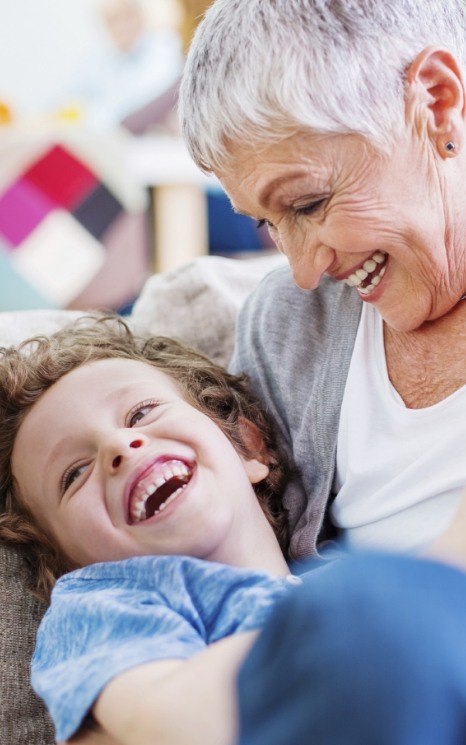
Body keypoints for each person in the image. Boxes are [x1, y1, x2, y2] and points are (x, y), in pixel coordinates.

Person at [177, 0, 466, 741]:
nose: (304, 270)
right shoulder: (289, 325)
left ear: (437, 103)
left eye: (308, 203)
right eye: (269, 225)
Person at [1, 316, 466, 745]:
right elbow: (163, 717)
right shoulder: (106, 606)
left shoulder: (337, 570)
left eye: (141, 413)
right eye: (74, 473)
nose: (118, 446)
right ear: (67, 563)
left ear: (248, 444)